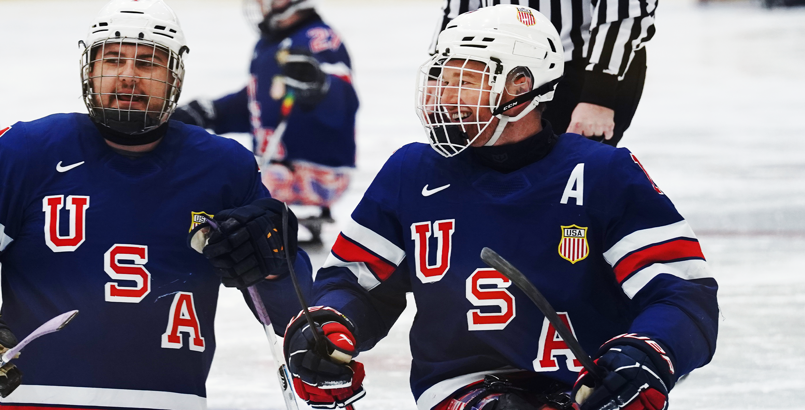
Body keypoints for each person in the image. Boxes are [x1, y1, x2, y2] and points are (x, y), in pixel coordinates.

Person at [283, 6, 718, 410]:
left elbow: (683, 293)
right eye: (442, 77)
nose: (445, 96)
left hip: (587, 388)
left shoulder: (603, 172)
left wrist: (646, 354)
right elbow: (355, 285)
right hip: (462, 390)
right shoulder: (410, 172)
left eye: (466, 80)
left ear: (522, 87)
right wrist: (327, 325)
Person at [0, 0, 312, 407]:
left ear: (175, 76)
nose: (128, 77)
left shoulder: (225, 168)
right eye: (112, 60)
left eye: (149, 63)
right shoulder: (23, 153)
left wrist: (277, 264)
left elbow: (295, 313)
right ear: (89, 70)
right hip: (42, 400)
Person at [172, 0, 358, 242]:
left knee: (220, 178)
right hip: (278, 168)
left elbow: (343, 100)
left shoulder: (318, 38)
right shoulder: (272, 43)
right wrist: (212, 112)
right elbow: (260, 104)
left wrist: (320, 86)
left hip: (319, 174)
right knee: (222, 168)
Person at [433, 0, 653, 146]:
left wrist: (597, 95)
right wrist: (438, 75)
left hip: (582, 71)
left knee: (569, 181)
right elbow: (461, 8)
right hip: (491, 67)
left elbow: (626, 10)